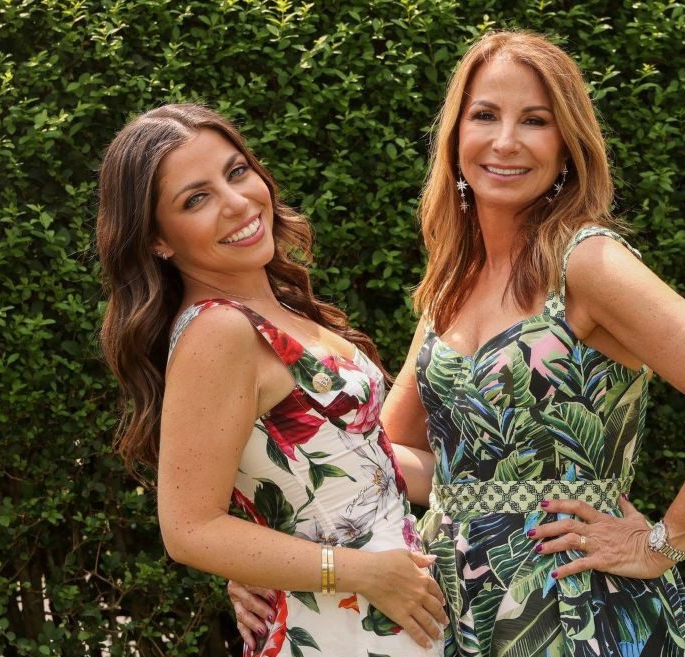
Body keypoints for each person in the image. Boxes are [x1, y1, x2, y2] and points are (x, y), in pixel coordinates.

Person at [233, 30, 685, 656]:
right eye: (485, 116)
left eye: (535, 121)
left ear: (567, 146)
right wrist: (269, 556)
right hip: (453, 606)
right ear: (456, 137)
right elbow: (389, 459)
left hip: (571, 606)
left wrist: (662, 542)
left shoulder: (588, 263)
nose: (505, 141)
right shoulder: (450, 284)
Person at [96, 103, 449, 657]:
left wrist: (524, 479)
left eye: (236, 172)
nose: (236, 203)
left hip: (389, 613)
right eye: (196, 198)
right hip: (343, 629)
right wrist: (365, 574)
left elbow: (367, 467)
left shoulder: (277, 310)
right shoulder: (219, 331)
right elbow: (189, 529)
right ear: (158, 241)